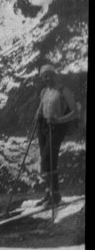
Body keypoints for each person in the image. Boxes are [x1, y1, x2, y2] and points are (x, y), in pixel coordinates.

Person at [33, 64, 80, 206]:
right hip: (43, 128)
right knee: (45, 160)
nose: (47, 78)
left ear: (55, 76)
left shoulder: (63, 91)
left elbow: (76, 112)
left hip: (57, 129)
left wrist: (59, 120)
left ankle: (55, 196)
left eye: (50, 75)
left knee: (47, 161)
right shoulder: (44, 92)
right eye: (44, 76)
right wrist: (38, 113)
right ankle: (49, 194)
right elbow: (41, 108)